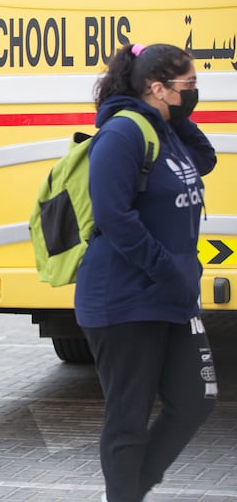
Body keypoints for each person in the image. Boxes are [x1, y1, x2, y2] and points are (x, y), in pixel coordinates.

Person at [75, 43, 218, 502]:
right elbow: (114, 217)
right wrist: (169, 270)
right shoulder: (120, 134)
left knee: (197, 398)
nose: (195, 92)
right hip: (123, 297)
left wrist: (178, 114)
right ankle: (124, 494)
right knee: (128, 417)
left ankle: (130, 490)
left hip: (169, 293)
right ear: (157, 88)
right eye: (188, 86)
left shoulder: (166, 128)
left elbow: (206, 161)